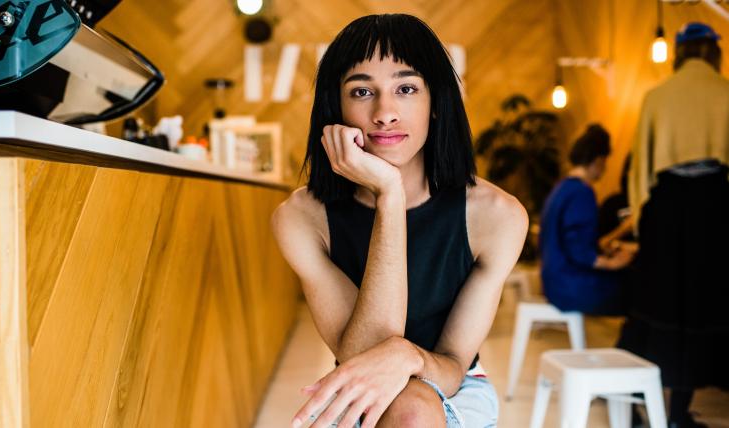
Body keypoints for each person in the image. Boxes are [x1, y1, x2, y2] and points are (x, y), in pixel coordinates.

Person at [271, 14, 528, 428]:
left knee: (411, 410)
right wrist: (389, 194)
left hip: (454, 387)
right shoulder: (302, 219)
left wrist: (410, 356)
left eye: (406, 88)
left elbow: (454, 364)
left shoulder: (497, 217)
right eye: (361, 91)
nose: (384, 112)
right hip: (359, 382)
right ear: (334, 109)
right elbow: (365, 354)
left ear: (436, 104)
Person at [618, 22, 729, 428]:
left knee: (654, 304)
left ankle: (629, 398)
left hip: (666, 208)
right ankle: (679, 412)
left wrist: (640, 220)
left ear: (680, 53)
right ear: (714, 52)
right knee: (701, 307)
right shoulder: (725, 91)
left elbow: (640, 170)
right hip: (715, 207)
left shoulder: (657, 95)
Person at [538, 124, 636, 316]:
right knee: (639, 287)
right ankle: (631, 344)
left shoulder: (561, 189)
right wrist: (612, 263)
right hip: (571, 288)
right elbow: (578, 249)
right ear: (599, 160)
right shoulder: (581, 191)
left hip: (554, 284)